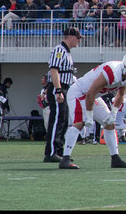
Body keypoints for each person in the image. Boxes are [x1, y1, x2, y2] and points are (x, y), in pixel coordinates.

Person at [57, 53, 126, 169]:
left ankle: (115, 159)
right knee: (79, 123)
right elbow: (90, 92)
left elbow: (121, 93)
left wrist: (113, 113)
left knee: (109, 124)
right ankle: (65, 159)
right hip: (80, 93)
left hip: (93, 96)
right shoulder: (112, 71)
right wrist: (88, 115)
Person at [45, 27, 82, 163]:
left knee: (63, 120)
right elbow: (54, 70)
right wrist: (58, 90)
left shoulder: (67, 52)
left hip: (66, 88)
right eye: (77, 38)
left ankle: (59, 150)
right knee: (56, 120)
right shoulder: (59, 50)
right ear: (70, 37)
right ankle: (51, 152)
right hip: (59, 88)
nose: (78, 41)